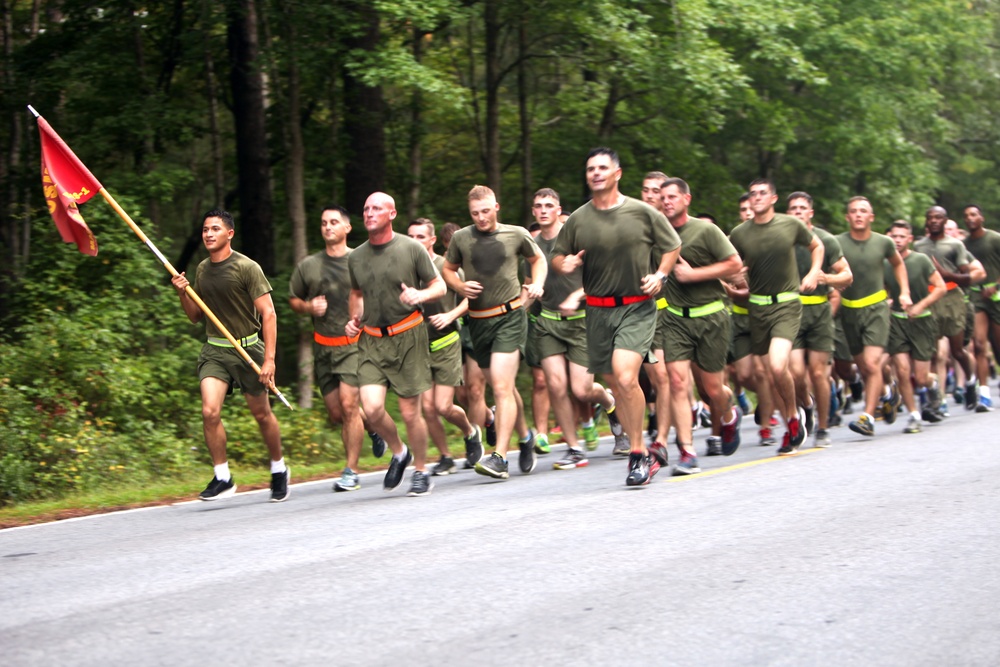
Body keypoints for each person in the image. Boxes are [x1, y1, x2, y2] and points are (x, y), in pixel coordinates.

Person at [552, 148, 681, 486]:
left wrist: (661, 276)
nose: (595, 173)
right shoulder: (579, 218)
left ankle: (639, 455)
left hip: (636, 306)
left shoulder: (641, 212)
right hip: (596, 311)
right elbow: (558, 255)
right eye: (590, 168)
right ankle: (635, 436)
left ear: (617, 173)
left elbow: (671, 246)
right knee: (615, 384)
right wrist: (564, 264)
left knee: (626, 378)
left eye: (602, 168)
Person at [171, 209, 288, 502]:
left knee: (262, 414)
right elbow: (196, 317)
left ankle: (278, 468)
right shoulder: (202, 269)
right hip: (215, 350)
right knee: (210, 411)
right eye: (205, 230)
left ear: (229, 234)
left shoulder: (247, 267)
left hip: (248, 348)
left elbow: (269, 314)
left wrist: (270, 359)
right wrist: (183, 294)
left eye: (215, 229)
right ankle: (223, 477)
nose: (208, 234)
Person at [346, 192, 446, 496]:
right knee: (372, 410)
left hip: (408, 336)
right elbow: (357, 294)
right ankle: (399, 451)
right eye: (365, 208)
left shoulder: (411, 248)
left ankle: (420, 470)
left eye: (376, 208)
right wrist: (354, 320)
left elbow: (439, 286)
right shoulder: (356, 257)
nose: (369, 213)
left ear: (392, 214)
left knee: (409, 412)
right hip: (372, 340)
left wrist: (420, 296)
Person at [442, 185, 546, 479]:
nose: (481, 218)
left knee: (500, 388)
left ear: (496, 207)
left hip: (509, 317)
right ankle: (525, 437)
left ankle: (499, 456)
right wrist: (460, 287)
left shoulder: (516, 234)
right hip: (477, 322)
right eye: (475, 213)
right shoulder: (462, 238)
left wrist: (536, 284)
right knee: (506, 387)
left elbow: (538, 259)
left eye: (486, 211)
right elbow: (448, 270)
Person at [288, 205, 382, 492]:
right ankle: (373, 427)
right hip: (323, 348)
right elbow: (293, 299)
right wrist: (308, 306)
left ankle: (351, 471)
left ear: (347, 228)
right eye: (323, 222)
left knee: (349, 405)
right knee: (336, 413)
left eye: (333, 222)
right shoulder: (309, 265)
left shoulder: (361, 260)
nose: (328, 227)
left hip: (354, 346)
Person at [653, 178, 744, 474]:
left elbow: (734, 264)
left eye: (672, 197)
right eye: (662, 197)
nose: (667, 201)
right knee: (678, 383)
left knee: (713, 389)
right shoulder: (656, 235)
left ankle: (729, 414)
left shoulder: (705, 230)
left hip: (711, 316)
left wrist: (696, 275)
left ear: (686, 199)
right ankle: (687, 451)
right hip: (675, 319)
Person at [527, 187, 621, 471]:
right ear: (533, 212)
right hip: (547, 323)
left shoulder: (575, 239)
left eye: (548, 205)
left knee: (581, 390)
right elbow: (528, 282)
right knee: (556, 385)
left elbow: (602, 278)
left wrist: (576, 296)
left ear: (558, 210)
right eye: (538, 206)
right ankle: (573, 448)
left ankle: (607, 401)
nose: (543, 210)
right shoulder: (530, 246)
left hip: (581, 322)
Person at [729, 179, 822, 455]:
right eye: (753, 193)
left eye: (762, 193)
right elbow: (733, 263)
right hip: (757, 308)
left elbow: (817, 247)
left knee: (779, 366)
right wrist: (734, 276)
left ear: (773, 198)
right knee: (770, 375)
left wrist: (814, 272)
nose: (757, 198)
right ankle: (798, 412)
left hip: (786, 304)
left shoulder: (790, 225)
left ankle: (794, 420)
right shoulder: (739, 233)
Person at [405, 218, 484, 474]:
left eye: (420, 237)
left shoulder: (446, 267)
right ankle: (446, 456)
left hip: (447, 341)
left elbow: (469, 300)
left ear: (431, 240)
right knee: (427, 408)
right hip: (419, 346)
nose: (414, 242)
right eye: (410, 237)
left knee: (443, 406)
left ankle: (471, 432)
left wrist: (450, 316)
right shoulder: (406, 270)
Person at [835, 196, 910, 437]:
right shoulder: (837, 243)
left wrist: (905, 292)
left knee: (870, 363)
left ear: (871, 217)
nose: (858, 214)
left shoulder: (884, 242)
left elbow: (898, 264)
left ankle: (867, 417)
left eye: (863, 211)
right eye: (854, 211)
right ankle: (888, 393)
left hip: (876, 308)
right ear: (847, 217)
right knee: (864, 367)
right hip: (848, 310)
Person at [786, 192, 853, 447]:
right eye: (793, 208)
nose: (798, 212)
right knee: (795, 373)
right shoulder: (783, 239)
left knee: (818, 373)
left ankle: (823, 428)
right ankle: (807, 405)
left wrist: (826, 278)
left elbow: (847, 276)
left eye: (802, 208)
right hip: (790, 312)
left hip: (819, 313)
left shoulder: (825, 240)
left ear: (810, 213)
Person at [914, 206, 985, 411]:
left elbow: (966, 276)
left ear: (945, 221)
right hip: (928, 297)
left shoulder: (955, 245)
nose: (934, 221)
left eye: (938, 217)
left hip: (952, 297)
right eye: (930, 218)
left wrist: (948, 274)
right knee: (933, 352)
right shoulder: (919, 246)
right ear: (926, 222)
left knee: (957, 350)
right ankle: (935, 397)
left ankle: (971, 381)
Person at [884, 220, 947, 432]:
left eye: (902, 236)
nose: (898, 240)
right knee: (902, 371)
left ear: (910, 239)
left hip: (922, 321)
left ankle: (932, 383)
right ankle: (913, 415)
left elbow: (940, 288)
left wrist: (920, 305)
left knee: (920, 377)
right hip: (897, 321)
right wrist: (887, 300)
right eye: (894, 236)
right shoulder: (886, 263)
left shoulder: (920, 260)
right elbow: (883, 290)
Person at [963, 204, 1000, 411]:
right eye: (966, 216)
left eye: (974, 214)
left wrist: (996, 284)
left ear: (982, 218)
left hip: (997, 295)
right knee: (978, 344)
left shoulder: (994, 238)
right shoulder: (963, 244)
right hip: (976, 296)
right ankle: (984, 394)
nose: (970, 218)